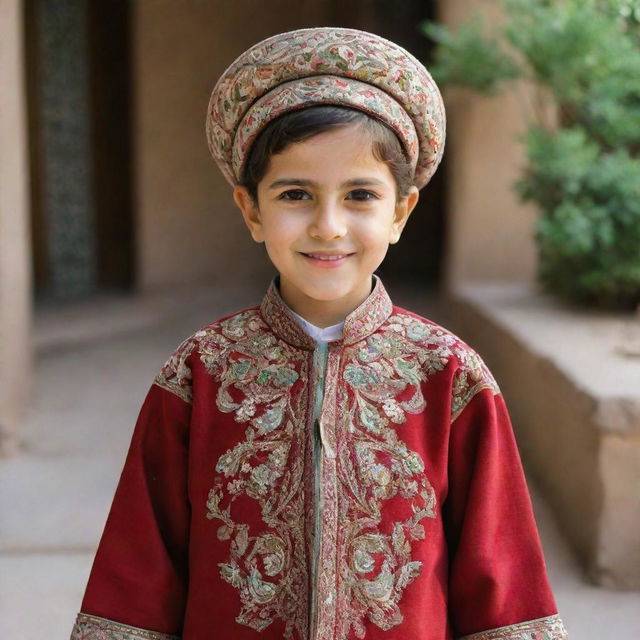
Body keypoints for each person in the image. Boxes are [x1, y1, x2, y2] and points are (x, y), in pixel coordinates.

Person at [70, 27, 568, 640]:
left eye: (360, 195)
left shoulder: (449, 376)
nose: (328, 227)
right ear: (252, 210)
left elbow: (504, 585)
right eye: (295, 195)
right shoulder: (200, 375)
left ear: (401, 213)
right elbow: (136, 578)